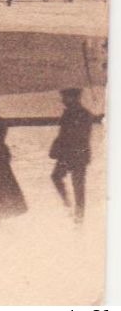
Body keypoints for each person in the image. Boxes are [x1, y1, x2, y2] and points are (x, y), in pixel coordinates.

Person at [51, 87, 101, 223]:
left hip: (76, 155)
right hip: (72, 154)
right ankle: (70, 207)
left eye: (65, 98)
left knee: (77, 185)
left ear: (74, 98)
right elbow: (64, 134)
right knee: (59, 178)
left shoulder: (82, 114)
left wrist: (58, 147)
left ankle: (78, 215)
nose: (62, 101)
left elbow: (75, 135)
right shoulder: (75, 113)